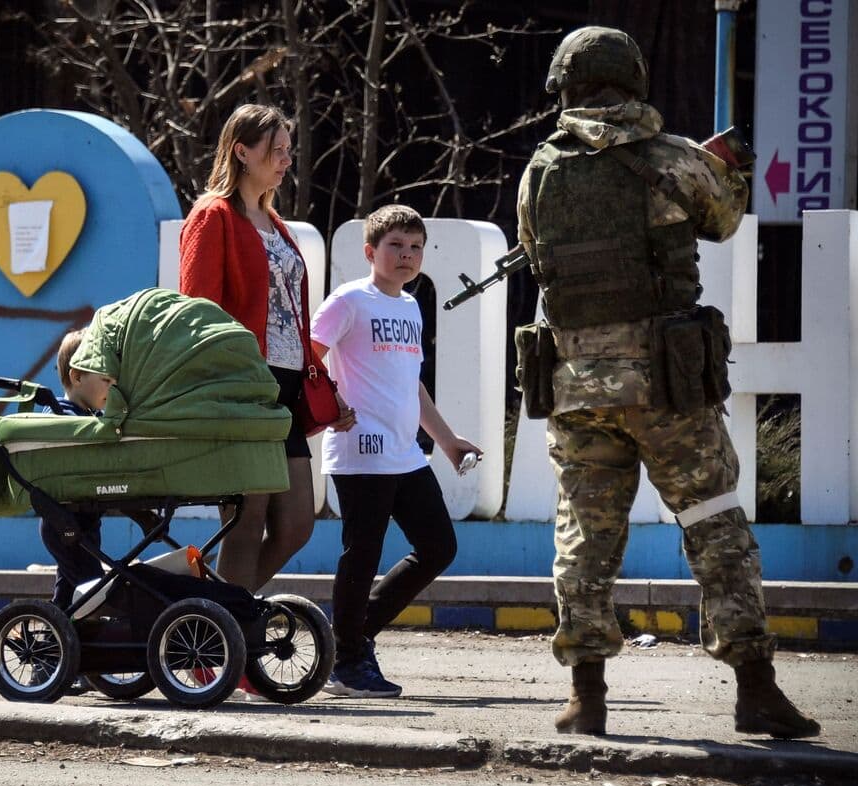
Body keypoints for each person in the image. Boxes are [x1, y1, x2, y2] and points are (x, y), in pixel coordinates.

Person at [515, 27, 818, 738]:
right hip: (667, 385)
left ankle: (586, 696)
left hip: (579, 388)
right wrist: (730, 169)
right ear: (634, 78)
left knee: (585, 539)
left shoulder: (541, 170)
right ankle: (755, 689)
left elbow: (535, 250)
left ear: (568, 84)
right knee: (715, 526)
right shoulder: (673, 158)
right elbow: (724, 217)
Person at [178, 104, 354, 595]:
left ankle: (210, 615)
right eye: (275, 150)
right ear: (241, 151)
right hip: (241, 386)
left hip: (288, 386)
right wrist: (220, 382)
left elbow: (292, 321)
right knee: (246, 516)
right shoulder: (213, 216)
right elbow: (197, 311)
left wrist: (325, 384)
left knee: (297, 522)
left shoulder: (278, 225)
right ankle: (224, 641)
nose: (285, 160)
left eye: (288, 150)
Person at [311, 204, 482, 697]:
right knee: (361, 554)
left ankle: (351, 636)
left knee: (438, 547)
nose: (406, 256)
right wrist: (333, 402)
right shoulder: (348, 301)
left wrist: (447, 441)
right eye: (395, 247)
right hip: (360, 448)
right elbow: (309, 360)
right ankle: (347, 661)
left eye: (415, 248)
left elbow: (413, 386)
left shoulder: (408, 305)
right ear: (370, 252)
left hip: (405, 452)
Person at [37, 328, 115, 609]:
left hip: (85, 521)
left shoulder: (95, 416)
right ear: (77, 376)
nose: (112, 386)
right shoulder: (60, 415)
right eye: (106, 379)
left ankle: (54, 637)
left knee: (71, 589)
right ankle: (67, 635)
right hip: (63, 523)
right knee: (92, 588)